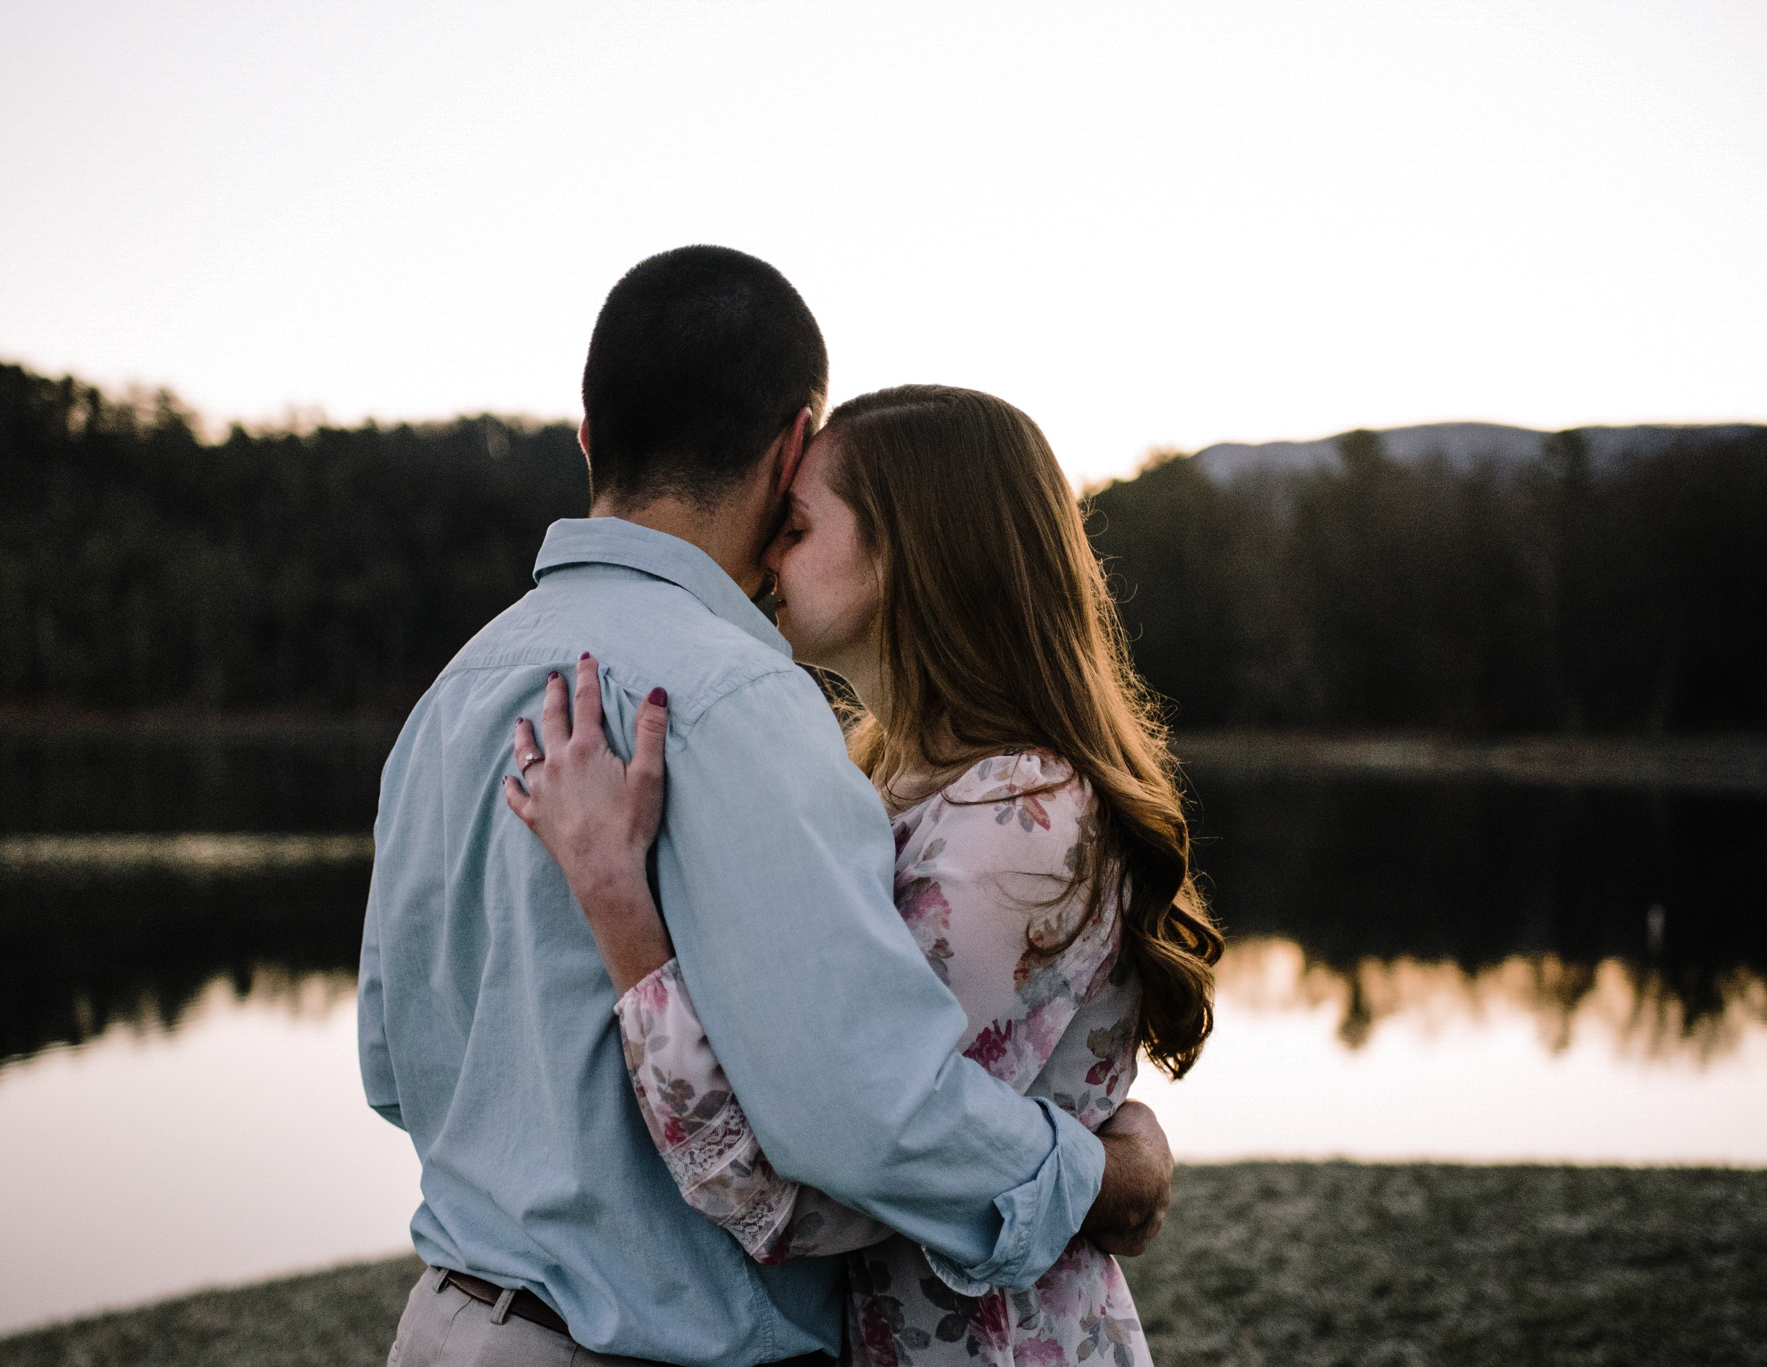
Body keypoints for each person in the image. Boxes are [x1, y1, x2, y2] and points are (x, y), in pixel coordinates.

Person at [358, 248, 1177, 1367]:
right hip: (641, 1345)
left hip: (445, 1327)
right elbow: (861, 1126)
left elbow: (390, 1071)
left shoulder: (451, 696)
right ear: (791, 442)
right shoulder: (739, 699)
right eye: (789, 514)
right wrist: (1100, 1172)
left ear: (590, 438)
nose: (786, 548)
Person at [506, 386, 1222, 1367]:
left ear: (908, 552)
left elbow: (798, 1190)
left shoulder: (1020, 816)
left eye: (794, 527)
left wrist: (615, 899)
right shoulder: (880, 781)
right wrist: (1098, 1168)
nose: (763, 556)